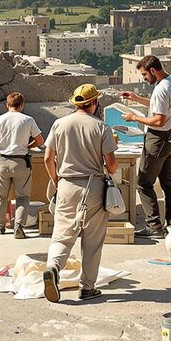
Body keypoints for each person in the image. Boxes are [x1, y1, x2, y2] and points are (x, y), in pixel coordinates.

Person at [42, 83, 117, 303]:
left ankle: (53, 268)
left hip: (66, 184)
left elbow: (48, 158)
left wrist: (57, 180)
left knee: (63, 235)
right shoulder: (101, 127)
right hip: (93, 186)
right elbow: (111, 165)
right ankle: (87, 288)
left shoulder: (59, 124)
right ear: (94, 103)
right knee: (92, 241)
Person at [122, 55, 171, 238]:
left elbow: (159, 120)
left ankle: (154, 226)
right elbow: (160, 106)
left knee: (143, 183)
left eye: (144, 75)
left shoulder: (161, 89)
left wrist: (134, 118)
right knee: (168, 182)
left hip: (158, 138)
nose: (144, 78)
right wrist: (136, 98)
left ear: (152, 70)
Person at [0, 92, 44, 239]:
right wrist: (27, 145)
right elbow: (40, 141)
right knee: (23, 197)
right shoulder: (28, 120)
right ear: (22, 105)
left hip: (2, 162)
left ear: (7, 104)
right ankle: (19, 226)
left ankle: (0, 226)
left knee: (0, 197)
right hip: (21, 162)